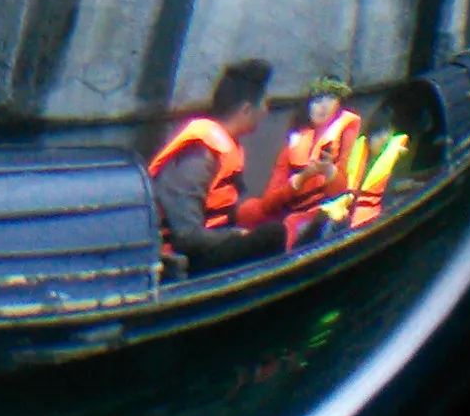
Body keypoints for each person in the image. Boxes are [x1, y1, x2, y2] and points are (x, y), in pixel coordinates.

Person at [146, 61, 286, 272]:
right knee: (272, 235)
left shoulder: (226, 146)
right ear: (247, 109)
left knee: (274, 224)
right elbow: (186, 236)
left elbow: (226, 211)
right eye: (264, 104)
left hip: (211, 244)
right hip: (185, 260)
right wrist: (235, 235)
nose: (266, 112)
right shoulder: (197, 153)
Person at [235, 76, 365, 247]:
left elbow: (344, 190)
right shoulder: (294, 142)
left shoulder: (347, 136)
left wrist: (329, 171)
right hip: (291, 210)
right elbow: (269, 202)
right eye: (317, 100)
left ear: (339, 105)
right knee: (247, 211)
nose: (323, 106)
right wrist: (300, 179)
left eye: (330, 99)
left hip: (326, 214)